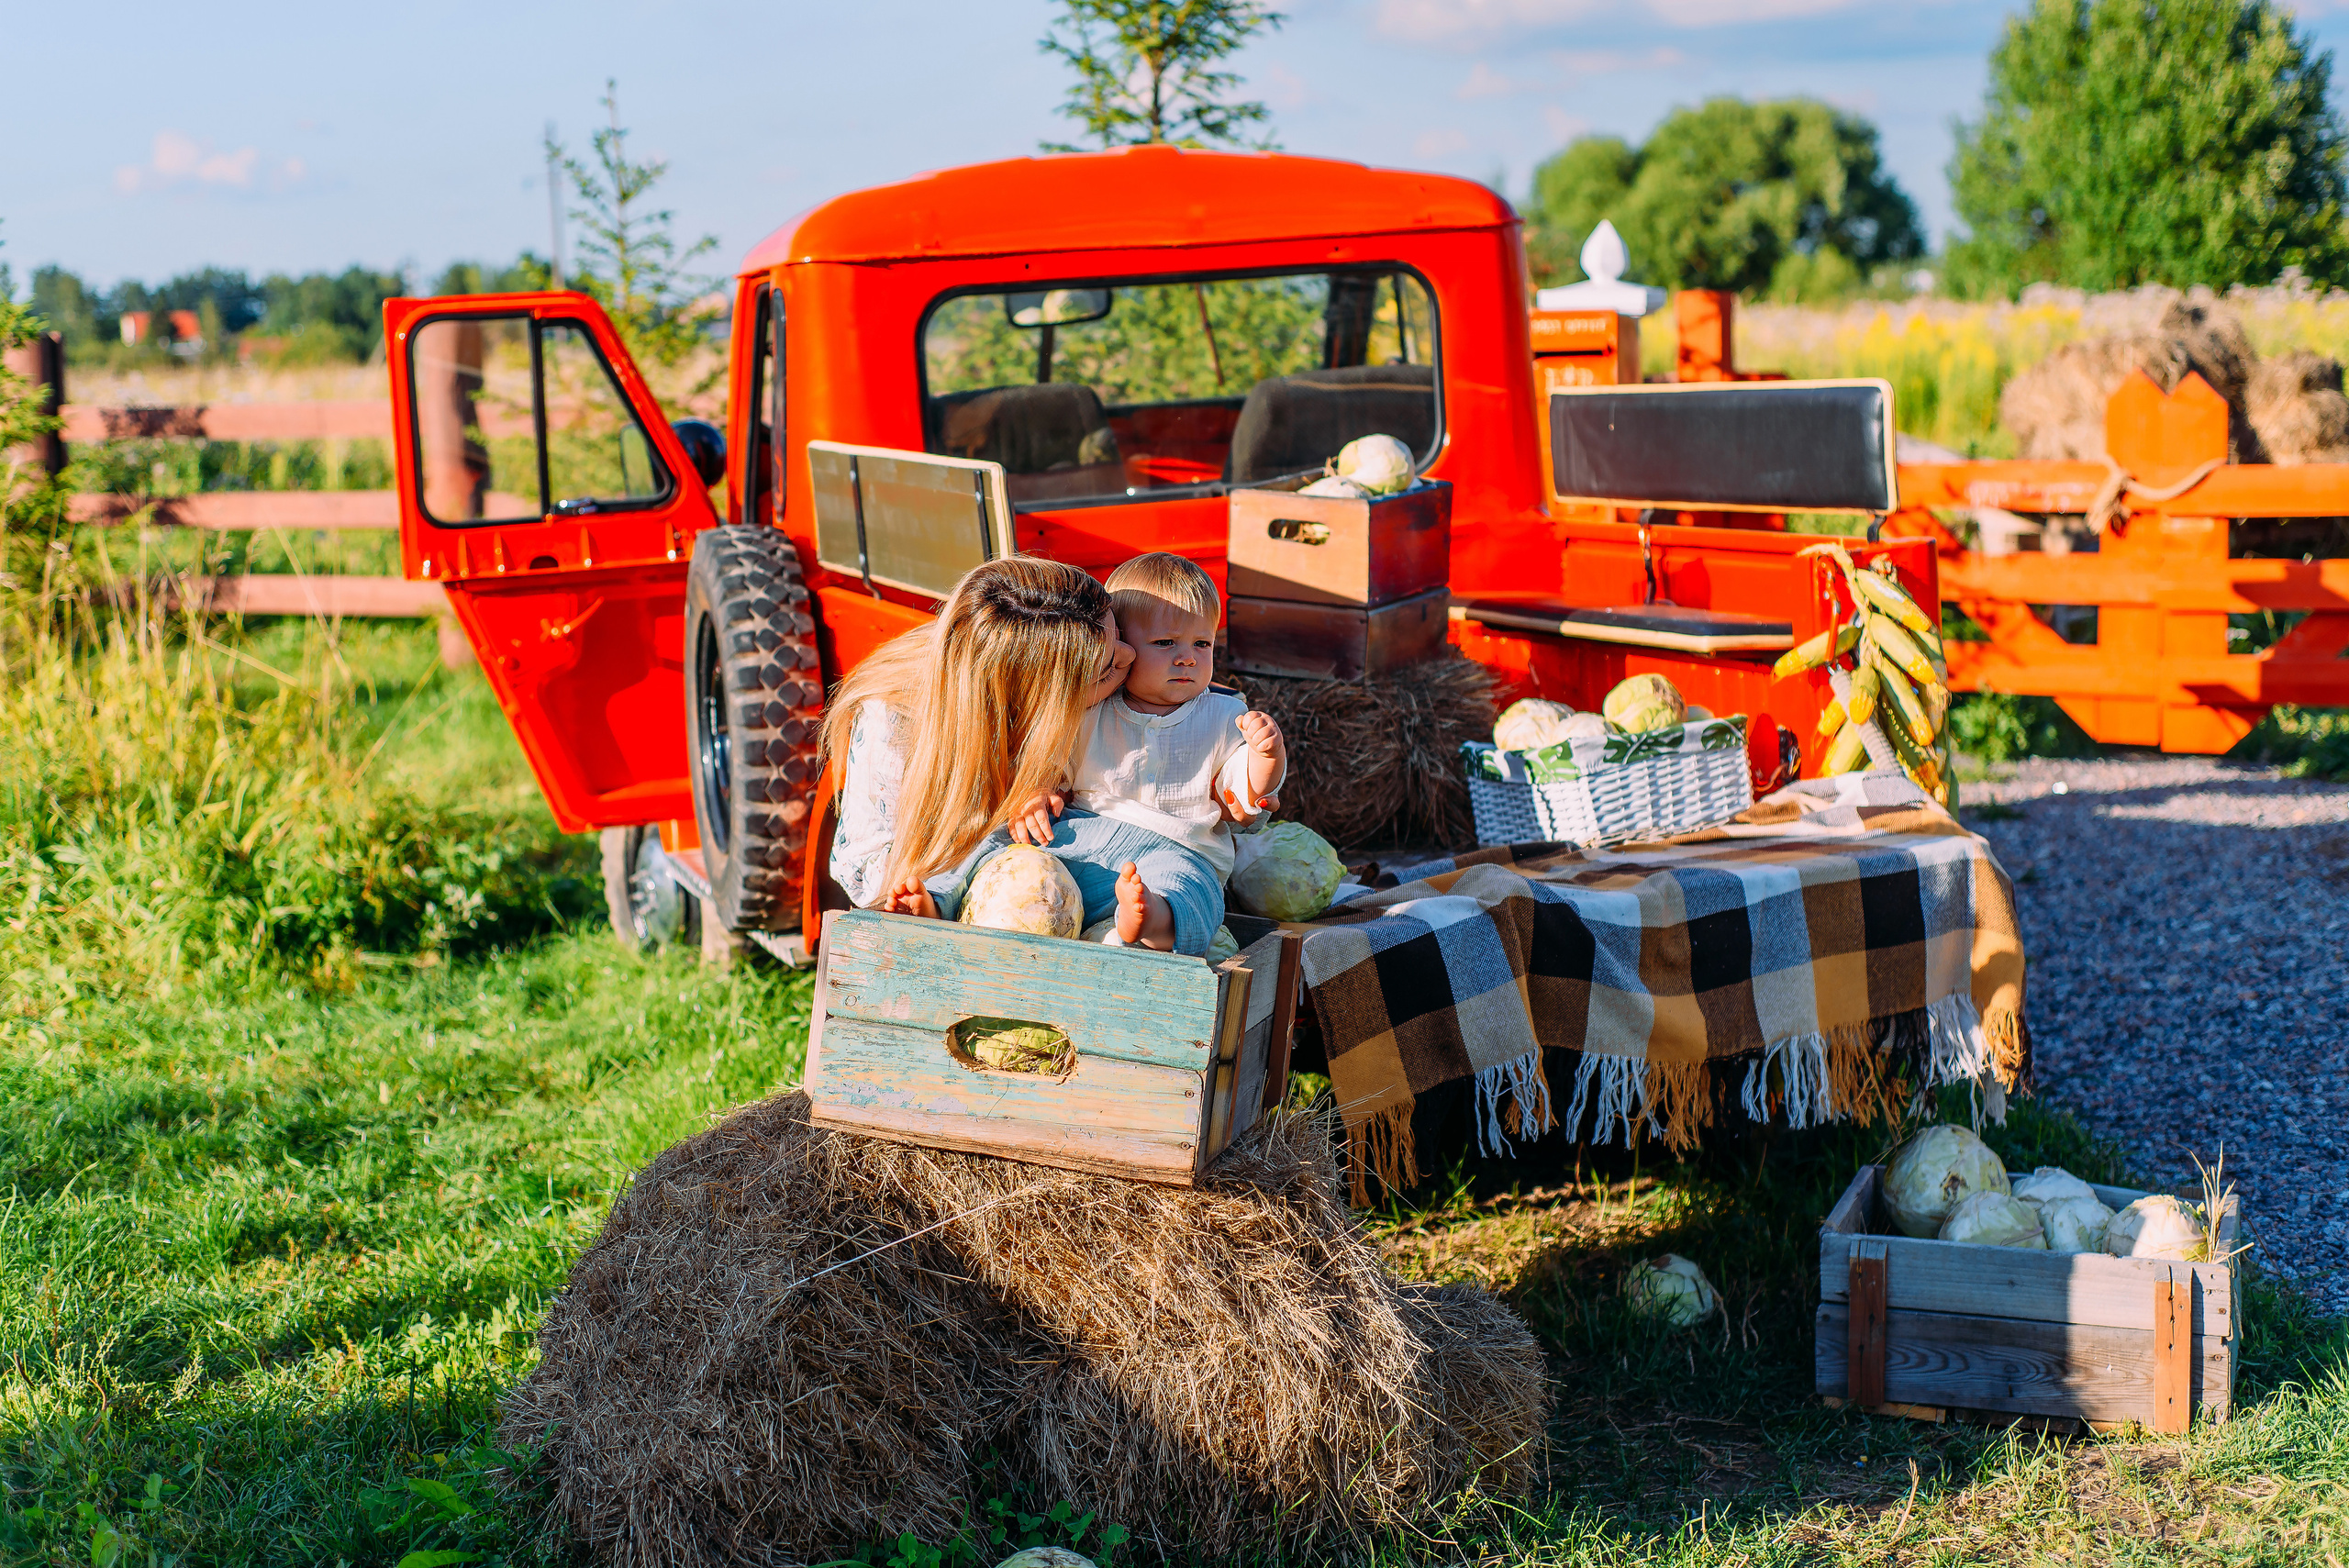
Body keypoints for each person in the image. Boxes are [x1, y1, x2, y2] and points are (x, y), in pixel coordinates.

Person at [820, 556, 1130, 920]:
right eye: (1106, 669)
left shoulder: (1111, 680)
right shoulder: (893, 719)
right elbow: (866, 874)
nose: (1131, 655)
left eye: (1120, 635)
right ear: (1035, 701)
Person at [1057, 551, 1286, 952]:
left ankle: (1153, 918)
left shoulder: (1224, 715)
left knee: (1191, 890)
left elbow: (1244, 789)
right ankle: (943, 896)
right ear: (1120, 645)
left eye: (1202, 643)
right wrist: (1039, 792)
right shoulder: (1092, 710)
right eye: (1165, 643)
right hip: (1088, 842)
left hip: (1178, 850)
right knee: (1006, 842)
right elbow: (1052, 767)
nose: (1187, 657)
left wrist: (1266, 757)